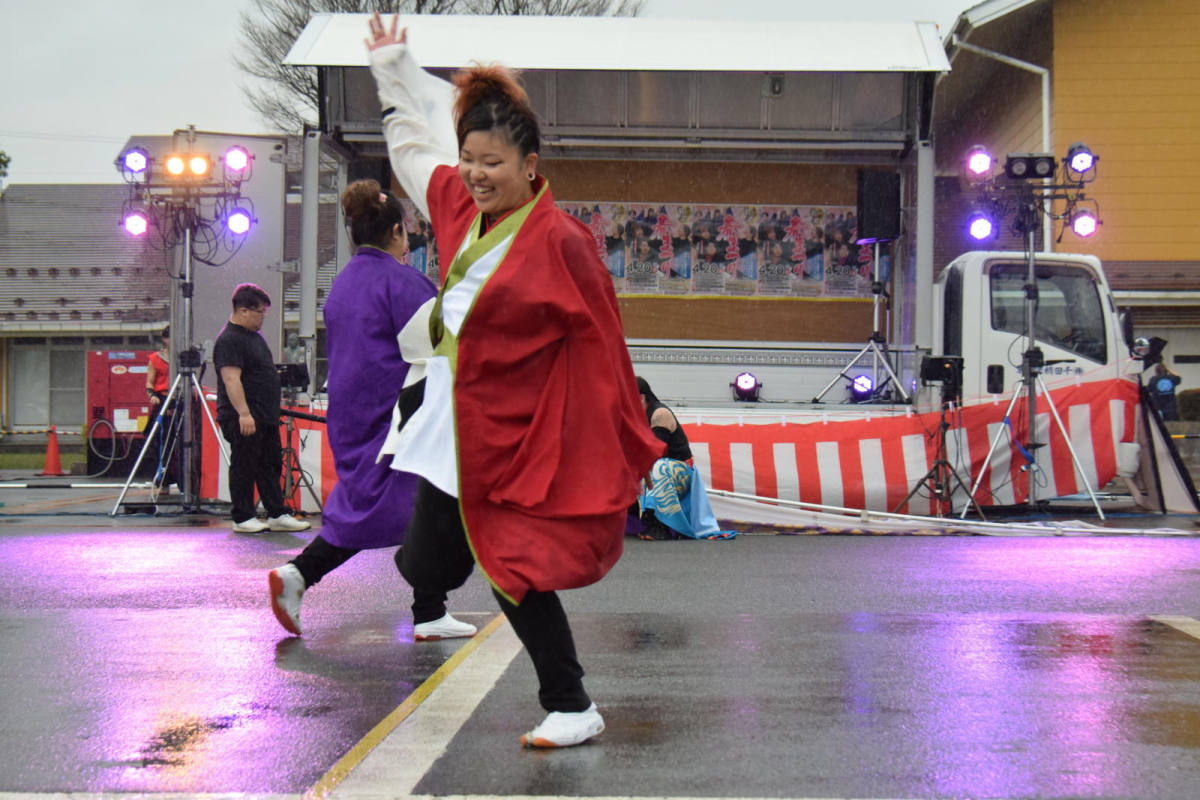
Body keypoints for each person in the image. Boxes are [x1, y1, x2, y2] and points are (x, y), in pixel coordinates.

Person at [366, 13, 662, 748]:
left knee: (513, 563)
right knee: (430, 563)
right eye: (469, 158)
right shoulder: (460, 208)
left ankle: (570, 704)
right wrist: (392, 74)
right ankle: (464, 594)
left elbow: (601, 344)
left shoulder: (563, 241)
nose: (475, 172)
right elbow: (413, 150)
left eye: (492, 162)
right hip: (454, 431)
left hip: (516, 435)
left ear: (531, 166)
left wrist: (623, 424)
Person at [267, 180, 476, 643]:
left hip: (356, 416)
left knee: (381, 508)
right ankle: (419, 608)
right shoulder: (402, 281)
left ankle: (423, 608)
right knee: (425, 506)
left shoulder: (343, 285)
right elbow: (442, 344)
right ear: (398, 231)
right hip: (399, 418)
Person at [213, 283, 311, 534]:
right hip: (244, 416)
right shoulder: (229, 340)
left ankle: (277, 513)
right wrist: (244, 414)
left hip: (265, 415)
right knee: (245, 464)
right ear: (243, 311)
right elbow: (231, 379)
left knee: (270, 464)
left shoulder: (254, 338)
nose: (262, 318)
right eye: (260, 313)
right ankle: (243, 516)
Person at [634, 377, 732, 541]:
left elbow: (656, 450)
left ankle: (661, 524)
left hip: (678, 471)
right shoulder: (633, 417)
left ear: (641, 397)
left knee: (656, 466)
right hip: (653, 468)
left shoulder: (659, 413)